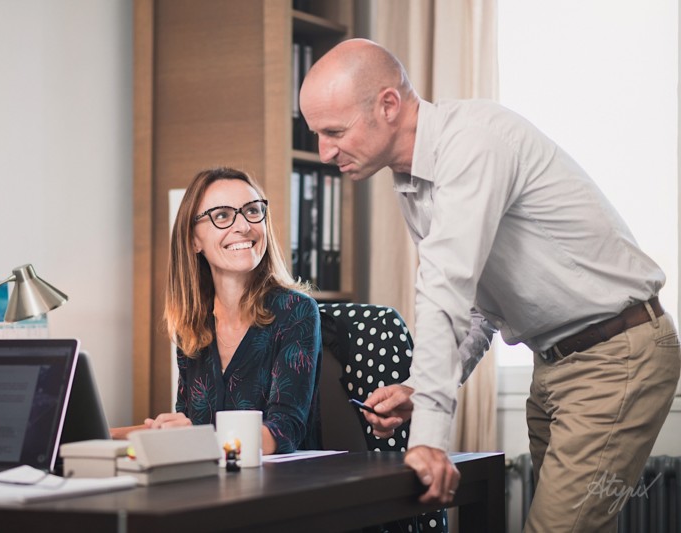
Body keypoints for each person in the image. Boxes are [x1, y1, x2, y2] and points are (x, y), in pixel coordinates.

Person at [299, 38, 681, 532]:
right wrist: (420, 388)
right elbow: (479, 308)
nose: (324, 151)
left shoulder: (472, 143)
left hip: (613, 353)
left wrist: (428, 439)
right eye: (316, 135)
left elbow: (445, 289)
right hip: (555, 364)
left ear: (388, 105)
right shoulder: (412, 183)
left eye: (334, 131)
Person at [114, 167, 322, 455]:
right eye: (222, 215)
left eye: (252, 211)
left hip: (282, 479)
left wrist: (193, 437)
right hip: (213, 477)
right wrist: (100, 434)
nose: (244, 226)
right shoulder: (192, 322)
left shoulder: (296, 311)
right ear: (193, 240)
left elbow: (285, 430)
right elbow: (188, 421)